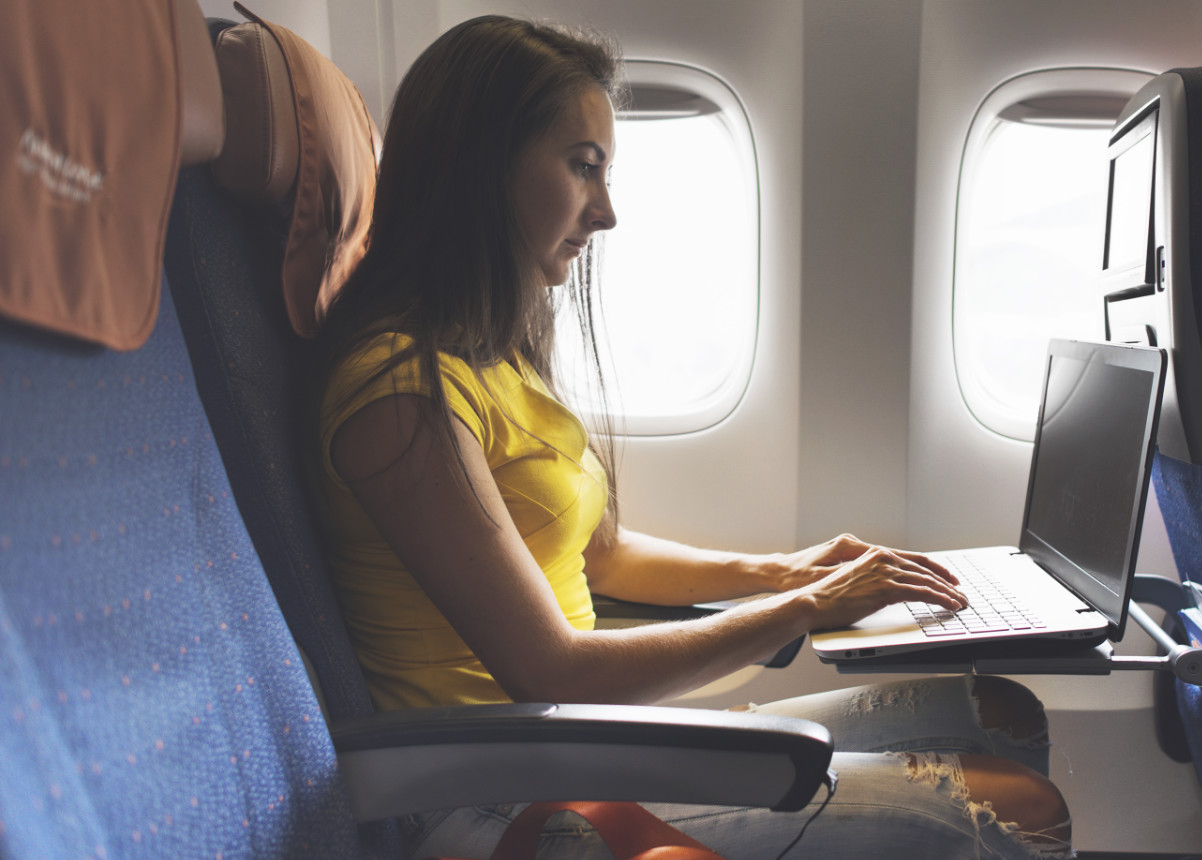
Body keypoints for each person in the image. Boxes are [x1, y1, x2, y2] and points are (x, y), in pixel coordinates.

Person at [308, 15, 1073, 859]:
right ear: (481, 166)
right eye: (583, 166)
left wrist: (790, 568)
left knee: (1000, 715)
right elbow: (552, 670)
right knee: (1017, 812)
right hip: (500, 791)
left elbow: (601, 558)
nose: (605, 211)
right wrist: (807, 606)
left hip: (583, 737)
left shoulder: (493, 354)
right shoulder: (398, 393)